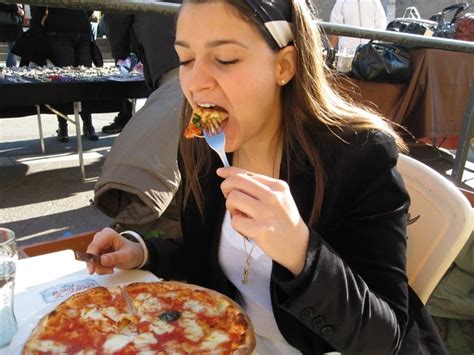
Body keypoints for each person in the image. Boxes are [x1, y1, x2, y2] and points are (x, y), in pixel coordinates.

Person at [88, 0, 446, 353]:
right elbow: (207, 255)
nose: (195, 83)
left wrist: (301, 252)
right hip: (226, 338)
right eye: (185, 59)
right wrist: (143, 251)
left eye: (225, 59)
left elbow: (386, 339)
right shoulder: (204, 150)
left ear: (284, 66)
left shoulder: (359, 155)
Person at [100, 3, 181, 134]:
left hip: (166, 48)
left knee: (176, 118)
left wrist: (121, 54)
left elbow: (117, 13)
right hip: (188, 39)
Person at [30, 6, 98, 142]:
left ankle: (64, 126)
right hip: (80, 26)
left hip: (60, 27)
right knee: (82, 81)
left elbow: (37, 7)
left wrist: (39, 24)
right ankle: (87, 125)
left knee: (66, 82)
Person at [0, 3, 23, 67]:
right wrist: (17, 8)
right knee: (13, 49)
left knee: (13, 49)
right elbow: (3, 5)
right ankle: (11, 68)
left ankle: (11, 68)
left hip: (11, 24)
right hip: (9, 24)